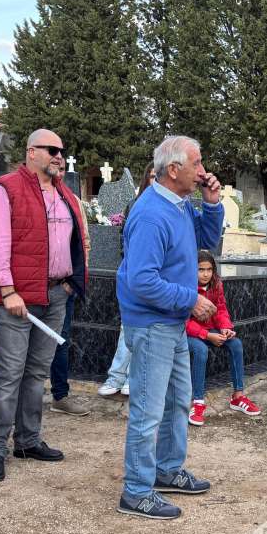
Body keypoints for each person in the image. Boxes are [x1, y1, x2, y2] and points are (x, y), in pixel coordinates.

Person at [116, 135, 224, 520]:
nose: (203, 171)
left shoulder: (179, 206)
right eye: (197, 164)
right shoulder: (150, 214)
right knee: (147, 410)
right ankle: (136, 490)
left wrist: (211, 207)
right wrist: (189, 300)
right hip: (153, 324)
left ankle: (166, 470)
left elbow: (208, 243)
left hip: (172, 323)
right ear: (173, 169)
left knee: (178, 402)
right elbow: (141, 281)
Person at [0, 129, 89, 482]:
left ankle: (27, 440)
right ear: (31, 152)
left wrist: (71, 284)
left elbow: (78, 239)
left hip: (56, 294)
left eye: (62, 150)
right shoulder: (6, 189)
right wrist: (8, 290)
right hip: (17, 296)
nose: (59, 156)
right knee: (9, 373)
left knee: (37, 373)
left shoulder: (64, 194)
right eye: (52, 150)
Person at [96, 164, 157, 398]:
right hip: (134, 276)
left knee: (145, 332)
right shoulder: (135, 205)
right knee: (128, 329)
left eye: (157, 177)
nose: (154, 181)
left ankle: (131, 378)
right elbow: (125, 242)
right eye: (151, 176)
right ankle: (116, 377)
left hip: (156, 279)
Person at [185, 250, 260, 426]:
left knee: (235, 344)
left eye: (209, 269)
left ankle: (238, 397)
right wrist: (207, 335)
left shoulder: (216, 284)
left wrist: (226, 328)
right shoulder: (186, 288)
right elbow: (184, 321)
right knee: (200, 350)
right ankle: (197, 403)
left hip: (212, 329)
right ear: (192, 270)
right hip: (189, 333)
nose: (205, 274)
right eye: (200, 269)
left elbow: (221, 309)